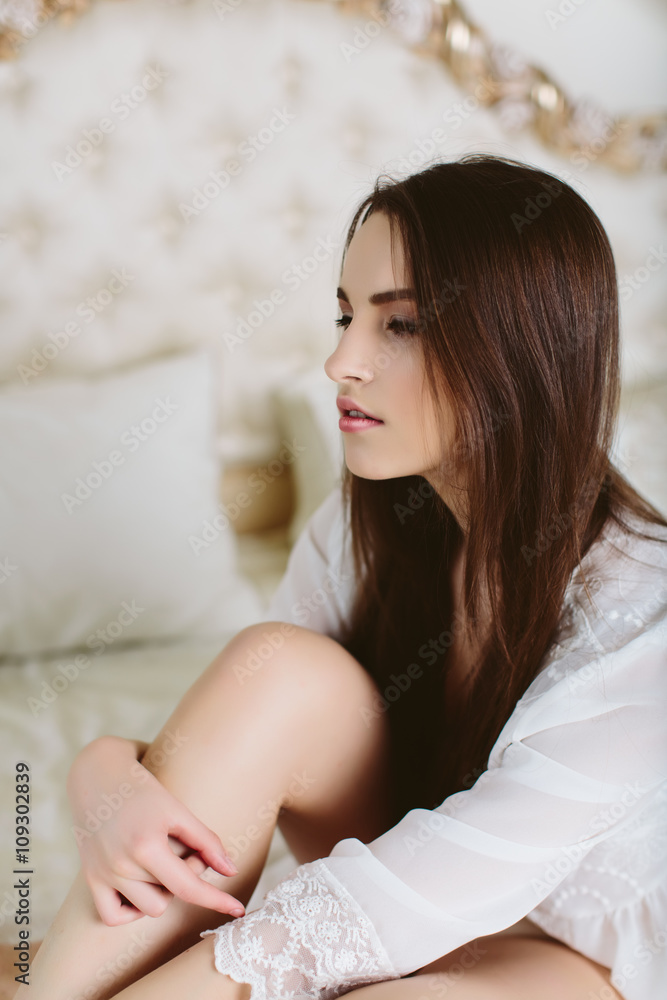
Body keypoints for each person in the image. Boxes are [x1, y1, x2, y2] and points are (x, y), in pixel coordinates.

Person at [16, 153, 667, 1000]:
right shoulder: (367, 525)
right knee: (278, 665)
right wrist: (103, 768)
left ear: (521, 344)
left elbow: (414, 896)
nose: (340, 363)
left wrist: (209, 975)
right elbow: (233, 743)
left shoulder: (642, 609)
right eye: (343, 315)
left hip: (583, 948)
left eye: (399, 326)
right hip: (416, 866)